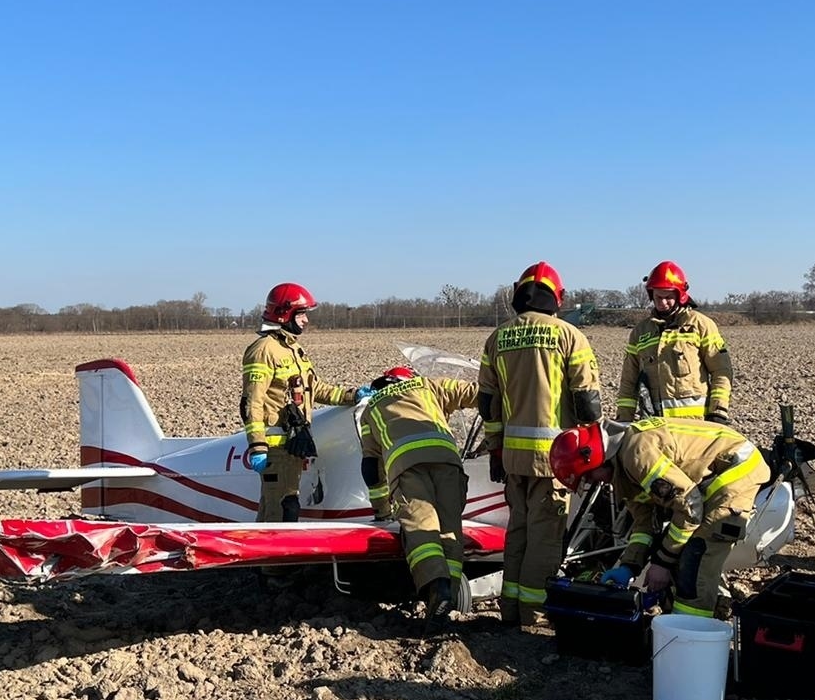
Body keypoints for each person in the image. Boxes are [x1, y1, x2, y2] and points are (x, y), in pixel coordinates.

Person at [477, 262, 603, 627]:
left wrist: (496, 449)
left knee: (518, 532)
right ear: (557, 297)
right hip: (555, 461)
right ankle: (534, 614)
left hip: (514, 459)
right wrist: (591, 453)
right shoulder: (569, 336)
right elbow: (586, 403)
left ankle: (511, 608)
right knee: (545, 539)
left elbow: (488, 403)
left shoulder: (498, 338)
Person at [549, 416, 771, 619]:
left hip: (735, 472)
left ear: (595, 459)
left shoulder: (637, 455)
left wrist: (662, 563)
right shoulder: (621, 469)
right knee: (676, 550)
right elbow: (644, 523)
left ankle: (691, 635)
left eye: (588, 476)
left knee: (696, 557)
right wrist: (629, 566)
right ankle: (677, 622)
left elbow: (690, 507)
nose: (593, 482)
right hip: (706, 482)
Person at [358, 366, 478, 628]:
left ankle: (438, 588)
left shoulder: (371, 409)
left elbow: (371, 466)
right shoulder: (427, 386)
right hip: (448, 461)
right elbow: (475, 393)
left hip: (407, 467)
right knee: (450, 530)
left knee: (421, 529)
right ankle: (451, 596)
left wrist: (381, 509)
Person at [240, 283, 369, 523]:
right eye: (301, 314)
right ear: (284, 313)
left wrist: (353, 396)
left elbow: (315, 388)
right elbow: (252, 402)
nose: (306, 320)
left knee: (277, 507)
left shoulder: (292, 349)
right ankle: (273, 561)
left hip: (292, 447)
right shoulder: (263, 350)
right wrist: (258, 446)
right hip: (275, 449)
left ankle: (262, 561)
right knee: (281, 511)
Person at [615, 261, 734, 423]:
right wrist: (623, 420)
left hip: (696, 426)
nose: (663, 303)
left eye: (668, 297)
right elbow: (628, 381)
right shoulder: (640, 333)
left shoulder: (701, 325)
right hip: (656, 427)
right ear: (651, 294)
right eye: (658, 297)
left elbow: (721, 370)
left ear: (680, 295)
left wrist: (718, 411)